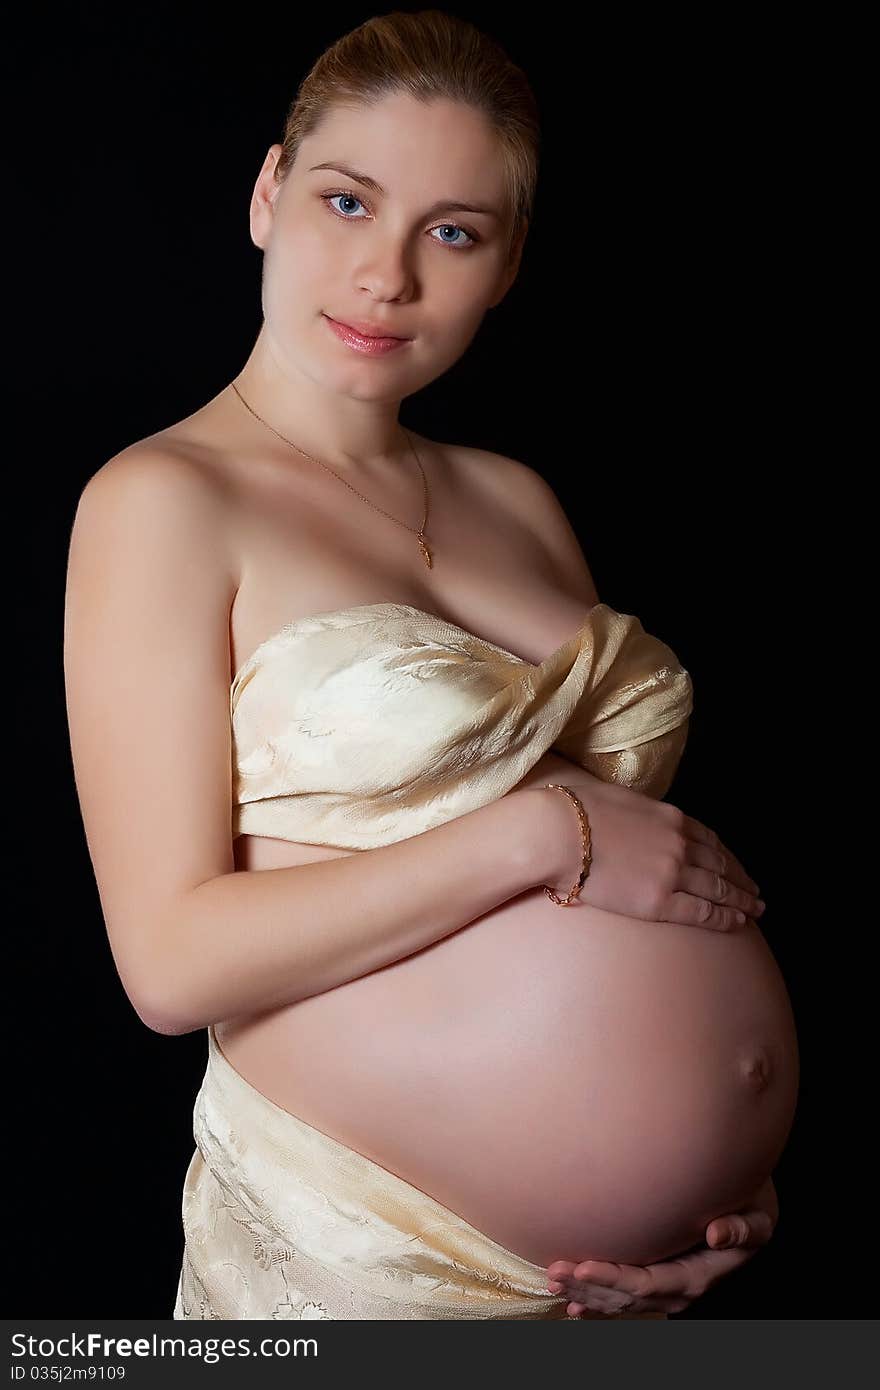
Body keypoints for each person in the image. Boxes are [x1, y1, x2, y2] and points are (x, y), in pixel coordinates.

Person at [63, 10, 791, 1320]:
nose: (387, 274)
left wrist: (728, 1195)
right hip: (359, 1268)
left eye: (453, 231)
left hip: (614, 1298)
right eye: (348, 201)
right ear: (268, 194)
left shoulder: (517, 500)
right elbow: (167, 961)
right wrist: (539, 835)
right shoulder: (164, 500)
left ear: (505, 266)